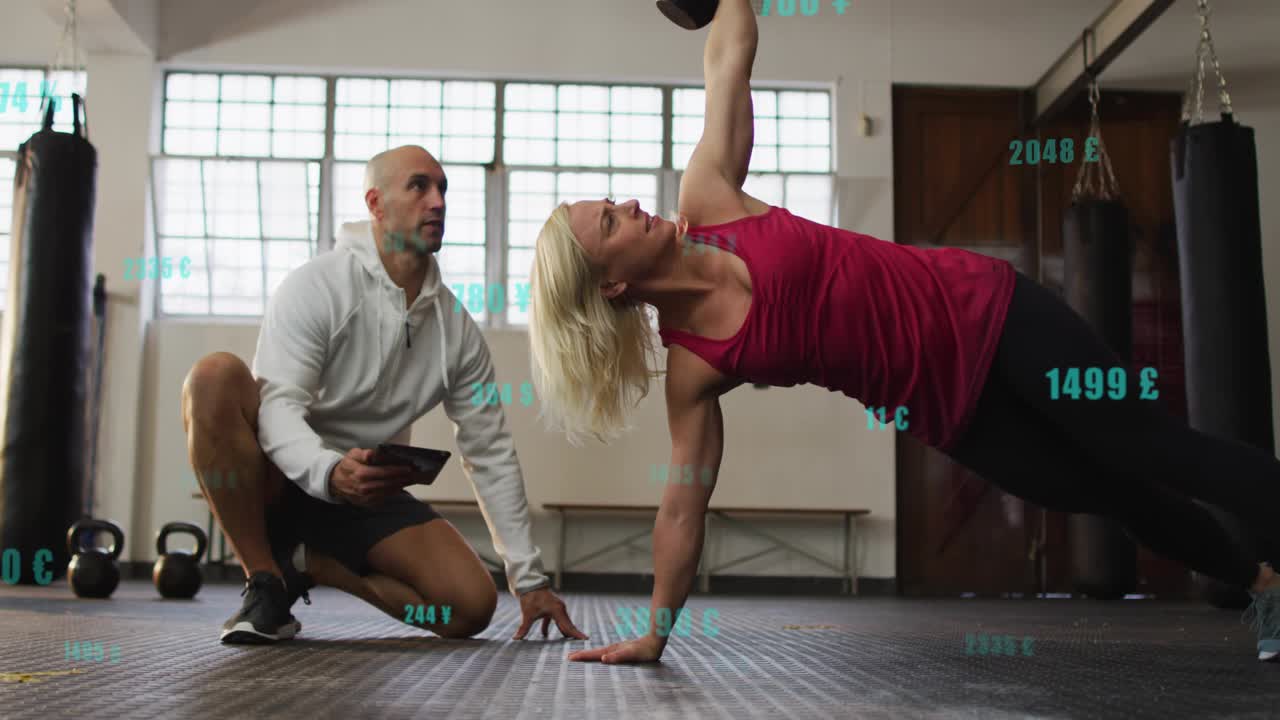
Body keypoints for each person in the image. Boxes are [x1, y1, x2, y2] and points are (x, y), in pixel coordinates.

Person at [526, 0, 1280, 664]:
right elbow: (682, 506)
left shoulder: (711, 197)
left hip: (990, 312)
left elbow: (728, 53)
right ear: (613, 285)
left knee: (1146, 446)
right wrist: (656, 632)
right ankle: (1267, 587)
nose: (629, 201)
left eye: (614, 200)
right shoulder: (695, 368)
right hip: (957, 415)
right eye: (611, 220)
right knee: (1117, 495)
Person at [183, 144, 586, 646]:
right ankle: (264, 581)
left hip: (365, 495)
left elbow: (490, 451)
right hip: (282, 478)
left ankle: (313, 565)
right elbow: (279, 407)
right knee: (214, 376)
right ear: (375, 204)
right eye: (419, 186)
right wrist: (329, 472)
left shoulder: (456, 330)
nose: (437, 201)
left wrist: (529, 581)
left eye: (442, 188)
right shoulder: (317, 286)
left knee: (467, 609)